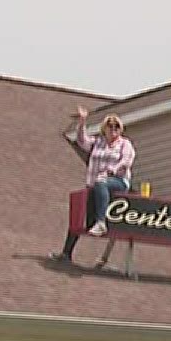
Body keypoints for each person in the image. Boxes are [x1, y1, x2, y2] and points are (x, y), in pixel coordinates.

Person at [54, 107, 135, 264]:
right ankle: (66, 253)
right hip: (96, 185)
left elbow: (126, 161)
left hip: (117, 182)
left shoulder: (125, 144)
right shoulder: (98, 142)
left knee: (101, 182)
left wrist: (111, 170)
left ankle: (101, 222)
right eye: (109, 126)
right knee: (79, 213)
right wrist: (83, 121)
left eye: (116, 126)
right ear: (104, 128)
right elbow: (81, 140)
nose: (113, 129)